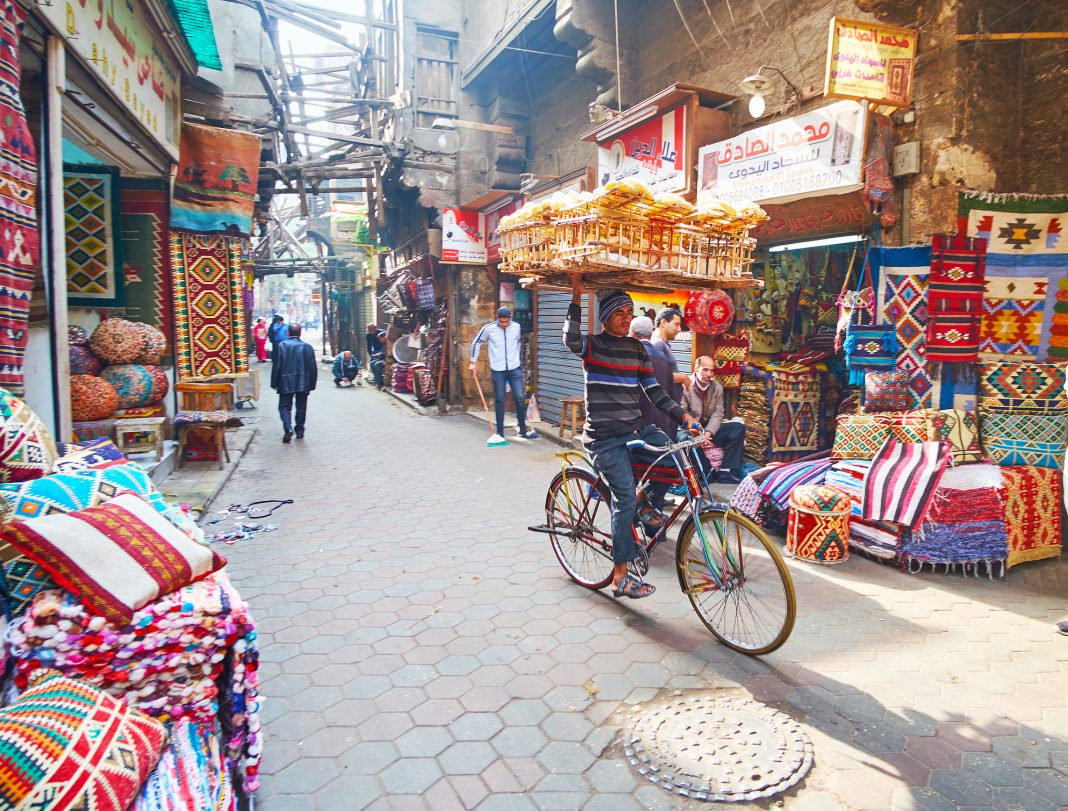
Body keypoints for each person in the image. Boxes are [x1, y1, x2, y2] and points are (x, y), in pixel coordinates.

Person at [564, 277, 699, 600]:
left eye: (629, 311)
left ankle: (644, 501)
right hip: (603, 439)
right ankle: (621, 576)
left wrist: (684, 416)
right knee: (623, 498)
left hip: (634, 431)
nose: (626, 317)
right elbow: (570, 339)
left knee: (671, 453)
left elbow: (653, 391)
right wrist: (578, 295)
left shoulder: (638, 349)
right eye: (619, 312)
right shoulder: (593, 345)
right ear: (606, 316)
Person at [470, 306, 538, 443]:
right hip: (498, 369)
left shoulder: (516, 327)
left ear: (510, 318)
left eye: (506, 321)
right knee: (500, 400)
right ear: (497, 318)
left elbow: (518, 343)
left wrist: (516, 359)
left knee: (519, 397)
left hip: (514, 368)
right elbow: (476, 342)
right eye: (501, 321)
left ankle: (522, 430)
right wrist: (473, 361)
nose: (504, 324)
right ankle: (500, 433)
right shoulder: (489, 328)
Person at [680, 355, 747, 484]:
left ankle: (726, 471)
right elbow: (682, 413)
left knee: (737, 428)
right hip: (689, 427)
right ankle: (707, 470)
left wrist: (708, 433)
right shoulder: (685, 386)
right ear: (696, 368)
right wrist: (699, 434)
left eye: (712, 370)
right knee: (683, 439)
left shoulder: (717, 387)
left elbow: (718, 413)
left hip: (707, 426)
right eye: (705, 370)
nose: (709, 374)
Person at [270, 324, 317, 442]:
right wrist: (312, 384)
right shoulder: (307, 347)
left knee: (285, 407)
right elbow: (313, 367)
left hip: (285, 381)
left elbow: (277, 366)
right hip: (303, 381)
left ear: (288, 333)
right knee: (301, 407)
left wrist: (274, 382)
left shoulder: (282, 346)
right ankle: (300, 431)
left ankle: (288, 428)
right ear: (300, 333)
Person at [630, 316, 676, 436]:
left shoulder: (631, 358)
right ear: (650, 334)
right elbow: (672, 394)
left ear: (632, 333)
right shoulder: (663, 359)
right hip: (664, 427)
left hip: (640, 429)